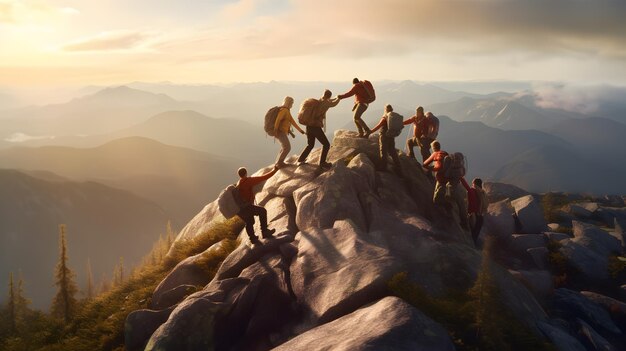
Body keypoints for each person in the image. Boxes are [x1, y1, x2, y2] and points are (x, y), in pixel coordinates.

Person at [236, 166, 279, 244]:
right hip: (246, 206)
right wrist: (275, 170)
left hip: (240, 209)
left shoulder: (239, 183)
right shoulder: (248, 180)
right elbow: (263, 177)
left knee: (249, 221)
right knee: (262, 211)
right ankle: (264, 231)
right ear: (246, 173)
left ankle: (252, 238)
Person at [297, 89, 340, 169]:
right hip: (315, 127)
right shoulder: (326, 103)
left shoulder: (319, 101)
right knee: (326, 144)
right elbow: (334, 104)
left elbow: (329, 100)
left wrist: (336, 97)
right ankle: (322, 163)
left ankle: (301, 160)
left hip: (309, 126)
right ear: (329, 96)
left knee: (310, 145)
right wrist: (339, 98)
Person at [370, 104, 403, 176]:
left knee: (383, 151)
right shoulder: (392, 117)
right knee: (393, 152)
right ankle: (399, 168)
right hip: (391, 135)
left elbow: (378, 126)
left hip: (384, 136)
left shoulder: (385, 117)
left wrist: (370, 131)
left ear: (385, 109)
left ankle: (383, 167)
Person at [274, 96, 305, 168]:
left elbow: (292, 122)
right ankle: (279, 163)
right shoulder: (284, 110)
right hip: (279, 132)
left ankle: (278, 163)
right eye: (291, 103)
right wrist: (275, 130)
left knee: (284, 147)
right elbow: (278, 120)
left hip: (281, 132)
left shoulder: (287, 111)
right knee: (287, 147)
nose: (292, 105)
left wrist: (300, 131)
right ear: (288, 103)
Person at [461, 177, 488, 246]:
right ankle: (473, 247)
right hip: (480, 217)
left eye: (472, 183)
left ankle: (470, 249)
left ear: (474, 184)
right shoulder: (482, 193)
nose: (472, 185)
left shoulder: (472, 191)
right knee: (474, 236)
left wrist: (460, 177)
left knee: (470, 236)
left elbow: (466, 186)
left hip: (473, 217)